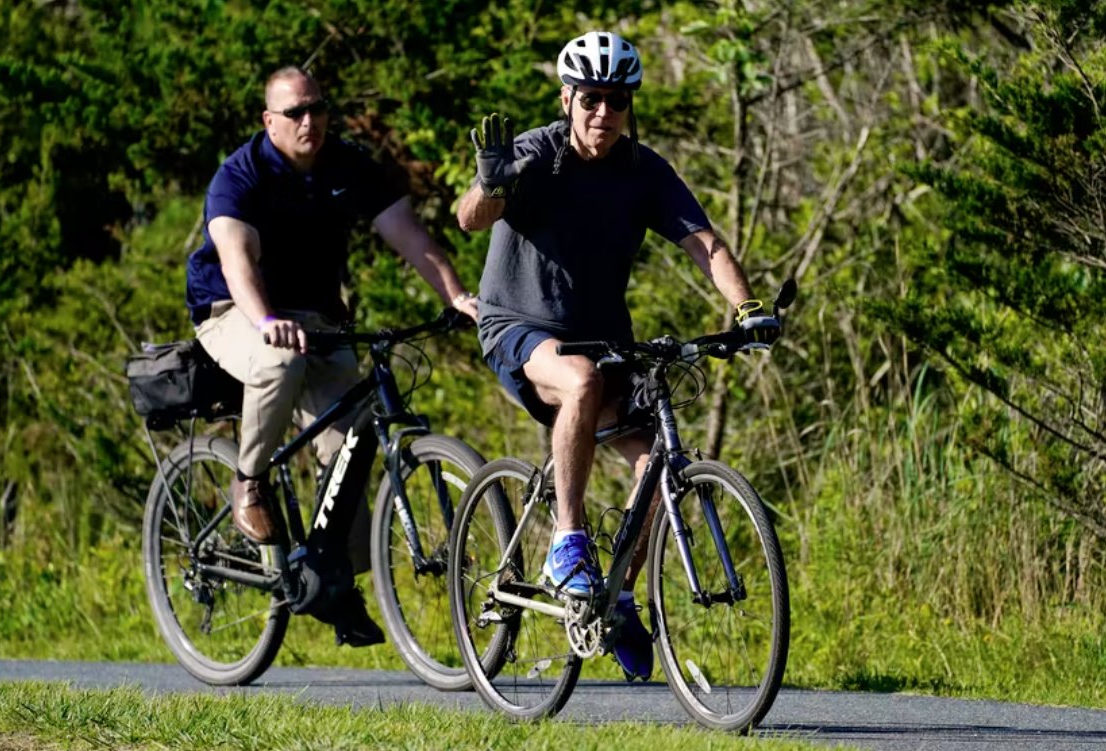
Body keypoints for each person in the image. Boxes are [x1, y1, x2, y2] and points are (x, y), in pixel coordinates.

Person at [456, 31, 780, 680]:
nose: (603, 113)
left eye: (617, 101)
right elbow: (471, 216)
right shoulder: (536, 152)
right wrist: (491, 183)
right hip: (519, 327)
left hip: (604, 341)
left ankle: (619, 596)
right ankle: (567, 541)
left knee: (657, 463)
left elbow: (705, 244)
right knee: (577, 382)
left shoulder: (643, 170)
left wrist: (747, 309)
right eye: (591, 99)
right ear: (567, 98)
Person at [187, 65, 478, 647]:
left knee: (353, 432)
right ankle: (249, 483)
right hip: (232, 311)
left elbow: (410, 235)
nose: (309, 121)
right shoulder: (239, 176)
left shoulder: (348, 166)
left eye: (317, 108)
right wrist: (266, 322)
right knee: (279, 364)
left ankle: (334, 580)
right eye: (294, 112)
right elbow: (237, 262)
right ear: (269, 121)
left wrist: (457, 297)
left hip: (316, 318)